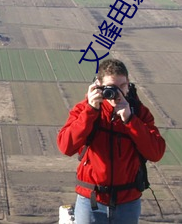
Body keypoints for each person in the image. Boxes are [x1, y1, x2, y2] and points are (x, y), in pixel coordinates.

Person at [57, 59, 166, 224]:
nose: (117, 93)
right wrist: (91, 111)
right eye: (111, 87)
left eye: (122, 86)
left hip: (127, 202)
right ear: (98, 84)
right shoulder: (85, 109)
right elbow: (66, 146)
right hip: (92, 200)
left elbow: (156, 152)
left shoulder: (139, 113)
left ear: (128, 84)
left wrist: (130, 120)